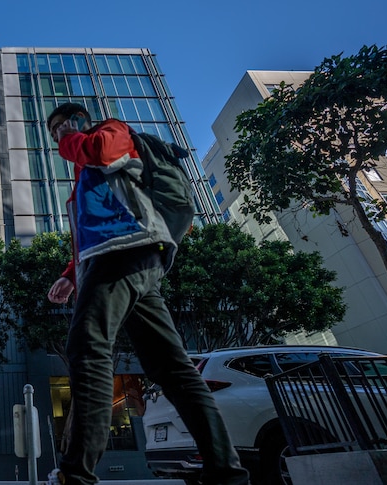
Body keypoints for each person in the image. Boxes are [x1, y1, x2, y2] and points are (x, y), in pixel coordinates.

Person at [44, 102, 249, 485]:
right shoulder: (88, 177)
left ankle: (76, 475)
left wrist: (72, 135)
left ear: (76, 121)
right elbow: (94, 228)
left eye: (59, 128)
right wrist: (72, 275)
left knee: (88, 348)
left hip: (124, 252)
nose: (57, 136)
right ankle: (226, 472)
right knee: (170, 368)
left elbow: (102, 152)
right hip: (127, 261)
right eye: (55, 132)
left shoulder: (109, 132)